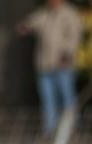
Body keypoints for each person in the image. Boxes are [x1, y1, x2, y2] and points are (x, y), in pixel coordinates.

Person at [17, 0, 84, 134]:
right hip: (45, 65)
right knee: (48, 99)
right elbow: (30, 23)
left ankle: (72, 128)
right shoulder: (44, 13)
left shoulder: (70, 14)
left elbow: (75, 36)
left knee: (67, 97)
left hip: (63, 65)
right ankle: (50, 129)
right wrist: (24, 27)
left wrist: (67, 53)